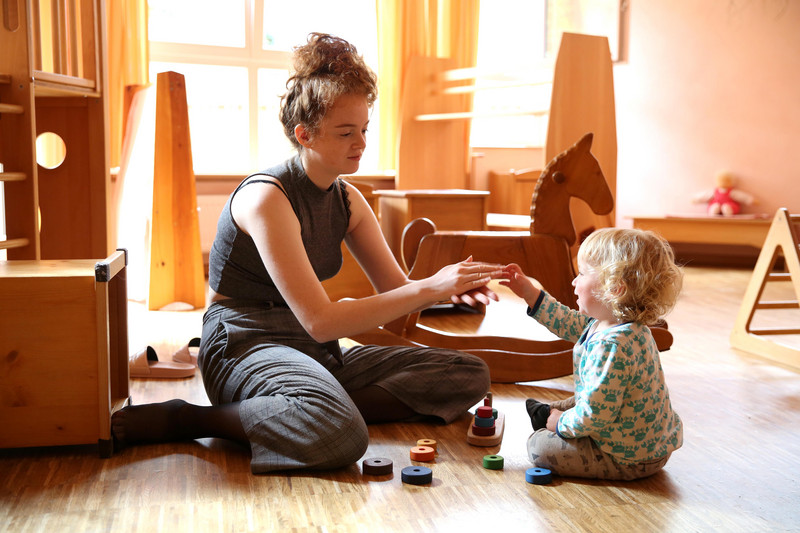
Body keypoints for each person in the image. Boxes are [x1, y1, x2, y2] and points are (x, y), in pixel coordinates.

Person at [112, 33, 501, 473]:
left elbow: (397, 293)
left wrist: (447, 293)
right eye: (345, 132)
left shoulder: (349, 200)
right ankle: (193, 418)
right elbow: (321, 322)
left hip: (313, 352)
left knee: (468, 374)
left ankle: (309, 405)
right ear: (305, 134)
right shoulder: (267, 198)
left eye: (364, 129)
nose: (361, 143)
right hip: (243, 343)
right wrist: (428, 287)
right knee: (343, 435)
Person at [500, 228, 684, 480]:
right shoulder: (619, 325)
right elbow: (566, 321)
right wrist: (530, 294)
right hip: (643, 442)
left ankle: (549, 418)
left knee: (539, 447)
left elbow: (594, 415)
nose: (574, 281)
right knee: (577, 402)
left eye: (582, 274)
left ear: (614, 288)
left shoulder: (612, 345)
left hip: (626, 457)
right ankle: (551, 413)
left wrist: (558, 425)